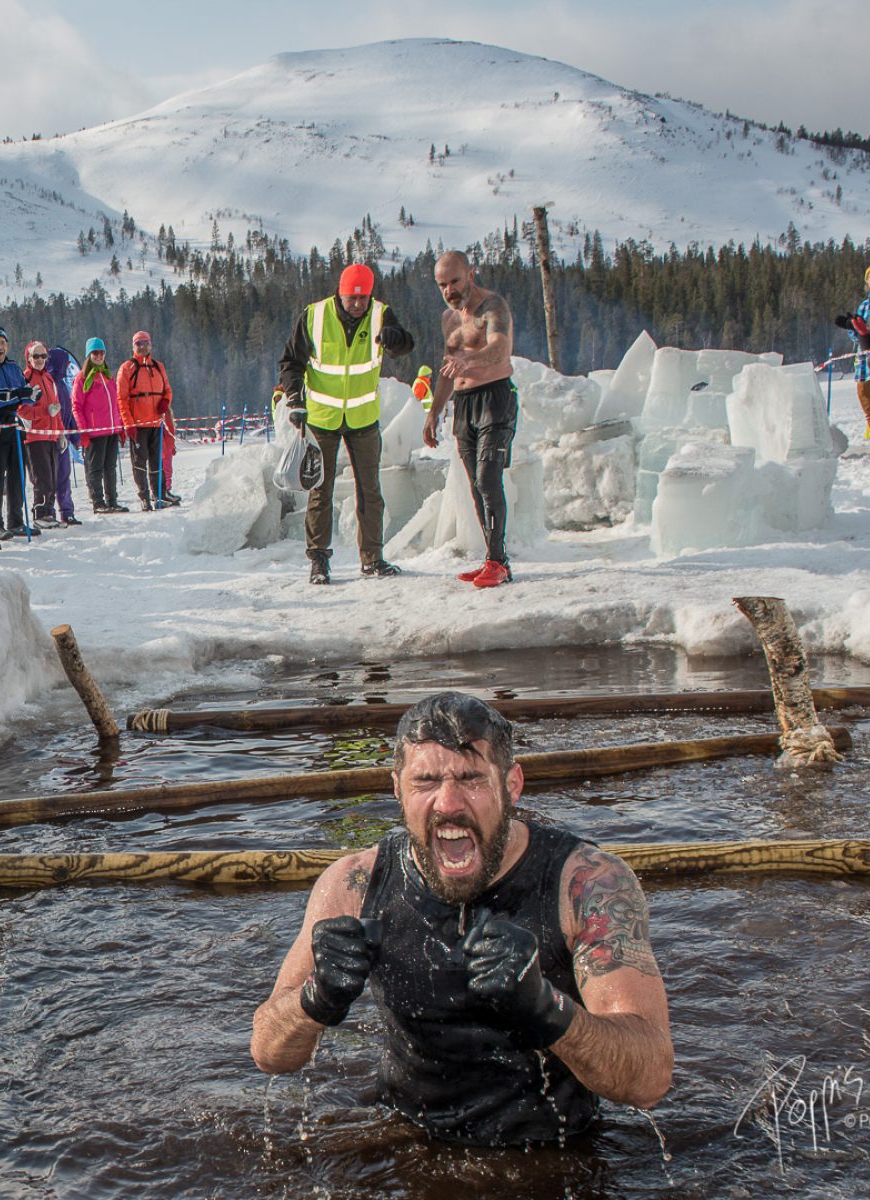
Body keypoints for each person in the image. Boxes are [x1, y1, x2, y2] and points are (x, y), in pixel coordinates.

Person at [251, 692, 673, 1146]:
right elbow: (269, 1053)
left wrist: (544, 1007)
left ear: (511, 784)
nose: (448, 804)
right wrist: (317, 998)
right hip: (407, 1137)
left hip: (552, 1150)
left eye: (471, 779)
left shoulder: (586, 883)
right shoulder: (353, 884)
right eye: (425, 781)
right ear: (397, 788)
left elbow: (649, 1079)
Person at [278, 261, 417, 584]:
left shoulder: (381, 314)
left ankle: (372, 558)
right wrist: (295, 400)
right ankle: (319, 561)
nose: (357, 305)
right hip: (322, 420)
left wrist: (396, 338)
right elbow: (290, 362)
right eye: (351, 298)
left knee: (370, 490)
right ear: (339, 294)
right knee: (319, 491)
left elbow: (406, 345)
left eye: (362, 299)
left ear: (370, 296)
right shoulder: (314, 316)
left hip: (363, 419)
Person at [423, 252, 518, 588]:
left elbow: (499, 349)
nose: (449, 289)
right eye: (442, 285)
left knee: (488, 477)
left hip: (495, 397)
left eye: (454, 281)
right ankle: (494, 560)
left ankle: (497, 561)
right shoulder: (449, 319)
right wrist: (434, 412)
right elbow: (449, 369)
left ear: (470, 274)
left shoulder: (492, 307)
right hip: (464, 405)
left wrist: (471, 361)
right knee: (476, 487)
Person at [835, 262, 870, 458]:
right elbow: (857, 335)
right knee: (866, 400)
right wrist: (855, 329)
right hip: (863, 362)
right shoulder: (864, 305)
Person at [0, 326, 32, 538]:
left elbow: (25, 395)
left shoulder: (13, 367)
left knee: (18, 474)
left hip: (14, 424)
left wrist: (28, 395)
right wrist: (16, 395)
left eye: (2, 343)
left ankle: (16, 520)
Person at [117, 330, 173, 510]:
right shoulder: (126, 368)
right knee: (139, 463)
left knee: (157, 461)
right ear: (133, 346)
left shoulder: (158, 367)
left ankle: (159, 494)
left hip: (156, 422)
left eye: (145, 343)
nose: (142, 347)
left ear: (150, 345)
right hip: (138, 425)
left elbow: (168, 390)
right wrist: (129, 424)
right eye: (138, 344)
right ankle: (144, 497)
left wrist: (165, 401)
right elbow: (121, 399)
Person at [73, 337, 126, 513]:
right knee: (95, 469)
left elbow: (116, 403)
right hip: (95, 432)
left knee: (110, 468)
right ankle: (98, 502)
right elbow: (77, 406)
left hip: (112, 430)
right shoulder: (82, 378)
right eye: (95, 353)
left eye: (102, 352)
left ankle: (112, 500)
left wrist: (121, 426)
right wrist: (84, 431)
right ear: (89, 355)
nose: (99, 356)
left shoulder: (108, 375)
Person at [21, 341, 67, 527]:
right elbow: (22, 410)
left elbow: (56, 409)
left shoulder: (49, 379)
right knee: (41, 478)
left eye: (43, 356)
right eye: (36, 356)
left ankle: (49, 512)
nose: (40, 360)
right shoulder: (25, 378)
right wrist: (44, 413)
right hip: (35, 436)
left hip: (51, 436)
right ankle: (40, 513)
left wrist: (61, 433)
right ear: (29, 358)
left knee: (52, 477)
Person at [45, 343, 83, 525]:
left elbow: (68, 413)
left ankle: (67, 511)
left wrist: (75, 436)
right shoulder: (49, 382)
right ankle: (48, 511)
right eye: (66, 363)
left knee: (64, 476)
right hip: (49, 439)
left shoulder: (60, 384)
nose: (68, 367)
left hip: (64, 439)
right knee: (51, 478)